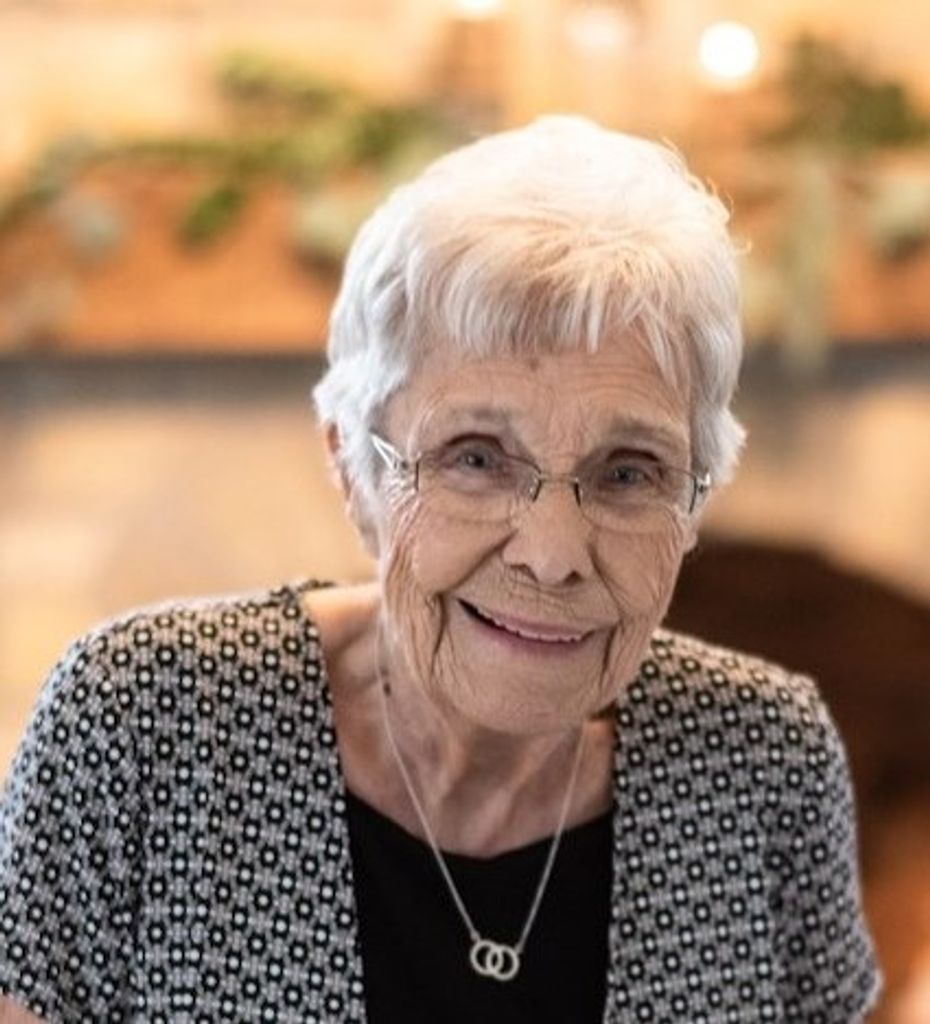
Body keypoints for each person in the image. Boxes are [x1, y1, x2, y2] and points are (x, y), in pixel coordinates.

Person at [0, 115, 880, 1023]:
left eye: (628, 473)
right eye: (476, 458)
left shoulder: (765, 761)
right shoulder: (144, 721)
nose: (552, 555)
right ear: (353, 469)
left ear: (694, 503)